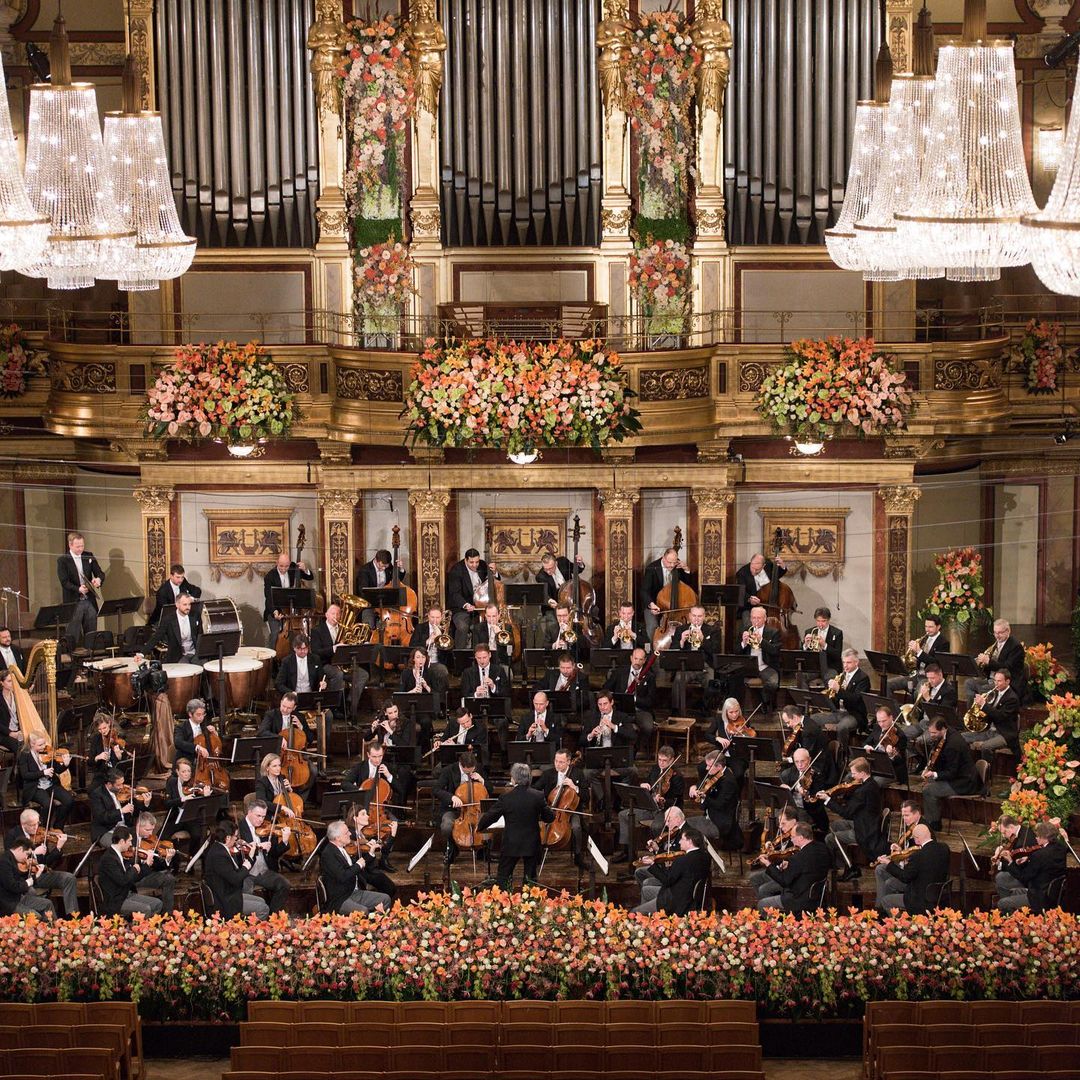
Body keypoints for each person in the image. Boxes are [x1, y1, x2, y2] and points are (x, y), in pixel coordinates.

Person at [477, 761, 555, 889]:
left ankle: (504, 899)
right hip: (531, 843)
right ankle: (529, 900)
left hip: (511, 843)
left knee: (503, 877)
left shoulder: (506, 798)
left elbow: (491, 815)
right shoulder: (538, 796)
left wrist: (480, 826)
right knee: (530, 881)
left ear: (513, 779)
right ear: (528, 777)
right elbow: (550, 817)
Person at [613, 745, 683, 862]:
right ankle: (628, 852)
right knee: (623, 815)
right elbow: (650, 784)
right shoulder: (655, 769)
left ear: (672, 760)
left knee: (656, 826)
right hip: (651, 808)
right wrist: (643, 785)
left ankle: (660, 854)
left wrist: (663, 800)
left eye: (665, 761)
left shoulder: (677, 777)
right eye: (659, 760)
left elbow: (676, 801)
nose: (661, 763)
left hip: (666, 811)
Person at [4, 807, 78, 917]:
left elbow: (45, 861)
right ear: (23, 824)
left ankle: (73, 916)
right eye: (32, 825)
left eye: (37, 823)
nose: (36, 827)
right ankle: (40, 920)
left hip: (39, 873)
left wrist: (57, 848)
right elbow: (13, 862)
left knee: (69, 878)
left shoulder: (40, 835)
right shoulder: (12, 836)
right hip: (23, 878)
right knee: (31, 892)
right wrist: (34, 852)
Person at [821, 757, 885, 882]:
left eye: (854, 773)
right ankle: (847, 862)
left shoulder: (863, 791)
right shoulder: (871, 783)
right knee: (835, 825)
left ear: (862, 773)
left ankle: (850, 867)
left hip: (864, 830)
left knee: (830, 838)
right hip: (865, 822)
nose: (852, 776)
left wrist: (828, 800)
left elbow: (846, 813)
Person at [342, 742, 400, 870]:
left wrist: (389, 776)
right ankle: (361, 856)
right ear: (368, 755)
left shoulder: (387, 767)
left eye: (380, 756)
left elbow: (400, 789)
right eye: (374, 756)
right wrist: (359, 790)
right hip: (362, 806)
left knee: (394, 823)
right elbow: (345, 783)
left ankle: (384, 858)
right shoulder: (360, 767)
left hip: (379, 808)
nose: (378, 760)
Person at [757, 822, 832, 914]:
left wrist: (768, 864)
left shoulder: (799, 857)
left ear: (800, 838)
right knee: (765, 889)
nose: (791, 840)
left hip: (799, 898)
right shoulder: (822, 847)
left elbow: (784, 881)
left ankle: (776, 922)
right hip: (816, 895)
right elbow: (807, 866)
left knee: (762, 904)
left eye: (792, 837)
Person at [633, 826, 710, 915]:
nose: (680, 842)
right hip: (688, 897)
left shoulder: (682, 860)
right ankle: (650, 917)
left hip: (675, 902)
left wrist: (652, 864)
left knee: (634, 913)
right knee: (645, 890)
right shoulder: (705, 857)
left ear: (690, 842)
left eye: (682, 839)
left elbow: (667, 880)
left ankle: (647, 917)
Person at [320, 819, 392, 914]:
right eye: (346, 832)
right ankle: (368, 921)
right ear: (338, 838)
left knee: (385, 899)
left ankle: (373, 921)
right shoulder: (329, 854)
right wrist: (358, 865)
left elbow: (358, 864)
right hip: (340, 898)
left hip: (354, 892)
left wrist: (371, 853)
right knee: (363, 911)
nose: (350, 834)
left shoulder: (342, 849)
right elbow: (343, 876)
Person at [920, 718, 981, 830]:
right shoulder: (947, 733)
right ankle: (932, 818)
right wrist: (927, 768)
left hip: (964, 782)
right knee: (928, 784)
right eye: (930, 732)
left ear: (943, 729)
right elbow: (938, 756)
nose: (931, 735)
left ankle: (934, 824)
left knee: (928, 790)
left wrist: (934, 774)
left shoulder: (953, 745)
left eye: (934, 733)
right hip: (957, 776)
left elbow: (952, 772)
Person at [876, 823, 950, 914]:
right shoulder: (944, 848)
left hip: (919, 900)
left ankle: (899, 922)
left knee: (886, 901)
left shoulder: (918, 856)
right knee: (890, 883)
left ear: (917, 839)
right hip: (938, 896)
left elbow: (905, 877)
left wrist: (888, 863)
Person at [235, 797, 292, 915]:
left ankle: (272, 916)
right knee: (245, 896)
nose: (261, 820)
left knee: (284, 885)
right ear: (249, 812)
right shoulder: (239, 828)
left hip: (264, 871)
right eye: (258, 816)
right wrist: (258, 846)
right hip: (247, 873)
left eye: (263, 816)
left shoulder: (267, 827)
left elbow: (274, 853)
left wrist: (285, 841)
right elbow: (241, 850)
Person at [996, 821, 1067, 913]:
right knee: (1002, 878)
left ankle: (1014, 917)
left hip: (1039, 897)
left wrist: (1010, 861)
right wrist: (1029, 858)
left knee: (1002, 903)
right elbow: (1047, 861)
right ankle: (1014, 909)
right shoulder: (1061, 848)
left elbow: (1023, 877)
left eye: (1037, 836)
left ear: (1045, 838)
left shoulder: (1039, 855)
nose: (1036, 838)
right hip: (1051, 892)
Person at [533, 748, 587, 866]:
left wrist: (575, 787)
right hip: (550, 808)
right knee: (536, 824)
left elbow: (586, 796)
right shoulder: (548, 773)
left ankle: (578, 857)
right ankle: (537, 853)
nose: (557, 764)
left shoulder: (578, 773)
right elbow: (535, 789)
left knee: (576, 827)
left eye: (561, 762)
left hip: (570, 810)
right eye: (556, 761)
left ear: (568, 762)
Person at [97, 825, 164, 917]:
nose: (131, 844)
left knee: (157, 904)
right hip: (116, 900)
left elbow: (134, 878)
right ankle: (140, 926)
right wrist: (134, 869)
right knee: (145, 909)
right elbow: (123, 880)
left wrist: (146, 865)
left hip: (126, 894)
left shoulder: (122, 855)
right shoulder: (109, 859)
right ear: (122, 841)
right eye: (129, 841)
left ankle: (148, 924)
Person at [686, 749, 742, 850]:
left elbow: (719, 805)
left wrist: (704, 797)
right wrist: (694, 786)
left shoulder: (728, 782)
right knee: (683, 825)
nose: (707, 768)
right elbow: (703, 782)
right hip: (711, 816)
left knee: (686, 829)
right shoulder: (716, 774)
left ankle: (701, 855)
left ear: (719, 766)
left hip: (719, 823)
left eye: (709, 766)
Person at [57, 531, 104, 650]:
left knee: (91, 630)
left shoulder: (88, 555)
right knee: (73, 632)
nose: (80, 549)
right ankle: (72, 655)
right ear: (70, 545)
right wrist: (78, 589)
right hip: (74, 601)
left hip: (89, 600)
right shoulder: (63, 560)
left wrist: (98, 579)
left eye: (82, 546)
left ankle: (91, 654)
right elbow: (64, 582)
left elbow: (100, 573)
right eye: (78, 546)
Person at [435, 751, 485, 865]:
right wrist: (451, 797)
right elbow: (436, 790)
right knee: (446, 826)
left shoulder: (479, 769)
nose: (470, 774)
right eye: (467, 772)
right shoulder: (448, 770)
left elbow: (489, 789)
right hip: (453, 809)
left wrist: (482, 780)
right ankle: (452, 849)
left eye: (472, 771)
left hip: (475, 810)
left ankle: (482, 850)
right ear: (461, 765)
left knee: (489, 821)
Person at [446, 548, 501, 649]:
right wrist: (466, 605)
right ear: (466, 560)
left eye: (477, 562)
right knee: (463, 627)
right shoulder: (456, 570)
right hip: (462, 608)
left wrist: (494, 572)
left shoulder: (483, 565)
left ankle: (488, 651)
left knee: (488, 626)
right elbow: (455, 594)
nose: (475, 565)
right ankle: (460, 653)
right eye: (471, 562)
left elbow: (495, 583)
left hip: (482, 608)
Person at [670, 605, 719, 716]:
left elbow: (715, 651)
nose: (696, 619)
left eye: (699, 616)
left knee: (711, 681)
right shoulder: (681, 629)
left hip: (705, 665)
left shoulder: (712, 630)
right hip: (687, 666)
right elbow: (673, 650)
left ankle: (706, 710)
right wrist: (682, 641)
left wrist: (703, 640)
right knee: (678, 679)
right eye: (694, 616)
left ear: (704, 617)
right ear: (689, 616)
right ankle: (676, 710)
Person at [310, 603, 366, 699]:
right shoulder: (317, 630)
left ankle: (350, 703)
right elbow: (316, 652)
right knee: (338, 674)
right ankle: (335, 703)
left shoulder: (345, 630)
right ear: (326, 615)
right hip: (326, 664)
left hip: (343, 664)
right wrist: (333, 648)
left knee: (363, 675)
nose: (335, 616)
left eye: (338, 614)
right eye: (333, 614)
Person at [964, 668, 1021, 760]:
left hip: (1004, 734)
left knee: (985, 747)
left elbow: (1000, 716)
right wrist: (978, 709)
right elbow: (989, 714)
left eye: (999, 681)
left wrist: (984, 705)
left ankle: (986, 768)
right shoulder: (995, 693)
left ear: (1007, 682)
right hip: (990, 731)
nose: (996, 684)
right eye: (995, 680)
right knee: (962, 737)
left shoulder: (1012, 699)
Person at [964, 618, 1026, 702]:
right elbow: (990, 667)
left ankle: (983, 708)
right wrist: (981, 663)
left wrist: (988, 661)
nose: (997, 636)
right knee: (969, 683)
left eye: (1000, 633)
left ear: (1008, 631)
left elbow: (1007, 668)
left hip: (1007, 682)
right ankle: (973, 709)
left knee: (983, 689)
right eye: (995, 633)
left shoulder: (1015, 646)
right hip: (992, 679)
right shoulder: (995, 644)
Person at [872, 799, 924, 900]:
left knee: (889, 881)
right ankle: (879, 905)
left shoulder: (923, 829)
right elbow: (909, 849)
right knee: (880, 869)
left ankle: (886, 904)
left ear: (917, 813)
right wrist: (900, 848)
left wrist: (897, 857)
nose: (904, 819)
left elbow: (918, 857)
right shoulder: (911, 825)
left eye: (907, 815)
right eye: (903, 816)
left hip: (914, 874)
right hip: (906, 865)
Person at [640, 547, 695, 640]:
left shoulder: (678, 566)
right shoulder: (652, 568)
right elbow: (644, 590)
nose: (672, 565)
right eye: (669, 562)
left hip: (675, 605)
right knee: (652, 628)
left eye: (674, 562)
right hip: (654, 603)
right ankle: (654, 648)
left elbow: (687, 585)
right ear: (663, 558)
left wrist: (686, 569)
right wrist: (651, 604)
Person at [345, 803, 399, 899]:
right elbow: (354, 859)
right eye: (363, 814)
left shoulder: (364, 833)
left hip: (371, 869)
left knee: (391, 888)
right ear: (355, 818)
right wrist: (371, 852)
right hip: (363, 872)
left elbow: (385, 849)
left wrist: (393, 834)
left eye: (367, 813)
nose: (368, 816)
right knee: (389, 888)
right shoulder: (350, 834)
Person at [18, 733, 73, 826]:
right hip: (35, 787)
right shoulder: (25, 755)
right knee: (48, 804)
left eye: (44, 743)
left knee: (69, 800)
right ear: (32, 744)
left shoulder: (48, 751)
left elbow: (58, 770)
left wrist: (65, 765)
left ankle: (58, 827)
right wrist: (43, 773)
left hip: (50, 784)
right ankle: (43, 828)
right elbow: (25, 775)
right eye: (40, 745)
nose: (43, 746)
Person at [749, 806, 800, 904]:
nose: (780, 827)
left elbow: (788, 861)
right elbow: (780, 854)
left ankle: (768, 908)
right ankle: (765, 905)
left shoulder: (797, 837)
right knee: (754, 878)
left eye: (783, 823)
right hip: (780, 872)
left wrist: (772, 859)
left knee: (763, 889)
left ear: (794, 822)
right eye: (779, 823)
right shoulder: (784, 836)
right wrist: (771, 851)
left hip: (789, 879)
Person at [202, 822, 254, 919]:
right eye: (235, 837)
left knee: (261, 901)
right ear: (228, 838)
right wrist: (247, 864)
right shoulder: (219, 855)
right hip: (225, 901)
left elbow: (232, 870)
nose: (237, 839)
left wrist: (247, 858)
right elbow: (235, 879)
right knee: (263, 908)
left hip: (229, 893)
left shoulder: (219, 847)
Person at [603, 646, 655, 741]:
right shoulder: (619, 672)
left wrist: (634, 699)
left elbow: (651, 701)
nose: (637, 662)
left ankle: (640, 746)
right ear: (631, 658)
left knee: (648, 727)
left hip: (640, 710)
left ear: (644, 661)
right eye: (635, 658)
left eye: (640, 659)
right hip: (620, 710)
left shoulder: (650, 676)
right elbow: (605, 688)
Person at [823, 648, 871, 751]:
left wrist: (838, 690)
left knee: (842, 727)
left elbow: (855, 699)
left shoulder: (863, 678)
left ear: (856, 662)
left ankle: (842, 754)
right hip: (838, 712)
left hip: (854, 714)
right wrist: (832, 691)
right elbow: (836, 698)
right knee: (814, 719)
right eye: (844, 662)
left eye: (848, 662)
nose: (845, 665)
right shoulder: (841, 675)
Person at [132, 811, 178, 914]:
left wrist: (167, 859)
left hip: (147, 875)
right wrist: (142, 860)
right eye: (147, 830)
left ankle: (167, 915)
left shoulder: (152, 840)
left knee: (169, 878)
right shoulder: (129, 838)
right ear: (138, 826)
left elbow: (158, 866)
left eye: (152, 830)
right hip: (134, 877)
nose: (150, 833)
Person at [898, 661, 957, 742]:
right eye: (928, 678)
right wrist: (920, 696)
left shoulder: (949, 691)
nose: (930, 681)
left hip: (936, 726)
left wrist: (928, 698)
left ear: (940, 675)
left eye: (932, 678)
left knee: (919, 742)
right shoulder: (928, 686)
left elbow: (942, 714)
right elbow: (920, 707)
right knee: (902, 735)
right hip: (923, 722)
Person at [263, 551, 314, 643]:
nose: (284, 569)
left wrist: (305, 569)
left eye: (286, 566)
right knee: (275, 635)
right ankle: (273, 652)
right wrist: (275, 612)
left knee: (297, 636)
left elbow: (310, 577)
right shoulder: (270, 576)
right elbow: (268, 597)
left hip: (292, 610)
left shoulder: (293, 567)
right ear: (277, 563)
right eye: (281, 566)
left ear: (290, 564)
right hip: (275, 610)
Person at [887, 614, 946, 694]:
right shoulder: (925, 638)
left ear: (938, 627)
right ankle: (892, 703)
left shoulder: (943, 642)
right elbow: (920, 657)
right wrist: (913, 657)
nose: (927, 630)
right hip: (917, 675)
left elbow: (936, 663)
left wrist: (919, 651)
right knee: (888, 684)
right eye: (926, 626)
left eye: (930, 627)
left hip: (929, 677)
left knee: (917, 693)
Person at [779, 747, 831, 835]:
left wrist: (807, 794)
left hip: (809, 810)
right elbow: (783, 783)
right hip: (792, 807)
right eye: (797, 762)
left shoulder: (817, 774)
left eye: (803, 761)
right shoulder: (789, 773)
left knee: (799, 825)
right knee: (779, 816)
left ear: (809, 760)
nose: (800, 765)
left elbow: (817, 801)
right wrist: (784, 788)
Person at [738, 605, 780, 712]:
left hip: (766, 666)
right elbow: (736, 651)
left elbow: (775, 651)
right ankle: (739, 708)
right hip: (748, 666)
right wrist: (743, 643)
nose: (756, 621)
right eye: (753, 618)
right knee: (732, 679)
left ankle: (764, 702)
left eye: (759, 618)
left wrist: (761, 641)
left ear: (765, 618)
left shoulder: (773, 632)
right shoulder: (744, 630)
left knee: (773, 683)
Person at [0, 836, 55, 918]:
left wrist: (36, 875)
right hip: (8, 903)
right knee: (35, 917)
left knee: (48, 904)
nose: (26, 858)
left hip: (18, 897)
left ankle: (53, 926)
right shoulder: (4, 861)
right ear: (20, 849)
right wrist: (30, 881)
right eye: (27, 854)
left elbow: (21, 881)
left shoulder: (13, 859)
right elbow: (13, 886)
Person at [992, 814, 1037, 905]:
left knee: (1000, 878)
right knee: (1000, 877)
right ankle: (1007, 904)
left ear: (1011, 827)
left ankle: (1008, 905)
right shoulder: (1022, 831)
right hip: (1021, 871)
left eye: (1004, 832)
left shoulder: (1024, 840)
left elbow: (1016, 868)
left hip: (1027, 878)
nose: (1004, 836)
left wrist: (1000, 863)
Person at [861, 703, 908, 786]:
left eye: (884, 721)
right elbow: (865, 742)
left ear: (891, 717)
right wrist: (867, 746)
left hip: (891, 771)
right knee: (852, 776)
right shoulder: (877, 727)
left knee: (872, 783)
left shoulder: (900, 736)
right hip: (875, 766)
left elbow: (900, 760)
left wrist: (891, 755)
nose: (881, 724)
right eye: (879, 721)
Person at [734, 552, 788, 625]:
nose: (754, 571)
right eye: (752, 568)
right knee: (749, 624)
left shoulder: (768, 565)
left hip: (769, 606)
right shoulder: (742, 573)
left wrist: (782, 566)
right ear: (751, 562)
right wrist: (749, 599)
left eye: (757, 569)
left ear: (763, 566)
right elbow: (740, 592)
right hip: (750, 607)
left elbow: (776, 575)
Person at [407, 607, 452, 693]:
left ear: (441, 617)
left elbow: (449, 651)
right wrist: (428, 641)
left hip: (437, 662)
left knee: (442, 671)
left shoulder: (446, 630)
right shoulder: (420, 628)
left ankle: (442, 697)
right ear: (428, 616)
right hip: (421, 662)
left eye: (437, 617)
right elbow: (412, 646)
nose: (435, 620)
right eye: (432, 617)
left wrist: (440, 639)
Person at [149, 591, 200, 663]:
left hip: (194, 654)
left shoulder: (195, 616)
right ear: (177, 605)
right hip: (178, 656)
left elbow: (200, 635)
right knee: (184, 667)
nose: (188, 607)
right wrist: (142, 654)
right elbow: (156, 637)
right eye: (185, 604)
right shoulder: (168, 619)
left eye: (189, 604)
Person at [90, 769, 137, 846]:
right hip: (106, 830)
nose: (122, 787)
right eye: (118, 785)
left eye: (122, 783)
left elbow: (135, 812)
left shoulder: (124, 792)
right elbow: (102, 817)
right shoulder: (97, 795)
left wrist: (145, 802)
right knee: (121, 846)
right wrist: (121, 811)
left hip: (123, 828)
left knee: (139, 839)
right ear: (109, 784)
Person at [535, 550, 584, 617]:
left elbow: (577, 570)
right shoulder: (541, 576)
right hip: (553, 606)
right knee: (552, 621)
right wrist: (549, 600)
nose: (548, 571)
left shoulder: (563, 562)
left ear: (556, 563)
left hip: (570, 601)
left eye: (551, 568)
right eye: (546, 569)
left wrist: (580, 563)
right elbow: (543, 593)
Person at [87, 713, 130, 790]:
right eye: (99, 729)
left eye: (104, 728)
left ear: (109, 723)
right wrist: (98, 757)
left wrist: (119, 756)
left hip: (116, 772)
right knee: (92, 789)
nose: (102, 731)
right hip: (102, 772)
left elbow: (125, 760)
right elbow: (90, 762)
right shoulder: (96, 739)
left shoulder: (118, 736)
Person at [472, 603, 515, 668]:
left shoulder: (507, 627)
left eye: (494, 616)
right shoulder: (478, 628)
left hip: (501, 661)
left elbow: (511, 648)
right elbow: (475, 648)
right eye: (489, 616)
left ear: (498, 615)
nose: (491, 619)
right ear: (485, 616)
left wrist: (500, 634)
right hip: (484, 661)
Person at [0, 670, 24, 755]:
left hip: (17, 731)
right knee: (19, 746)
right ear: (2, 683)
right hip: (4, 734)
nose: (12, 683)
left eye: (13, 681)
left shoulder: (17, 695)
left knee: (33, 741)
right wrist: (10, 733)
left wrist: (20, 731)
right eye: (9, 681)